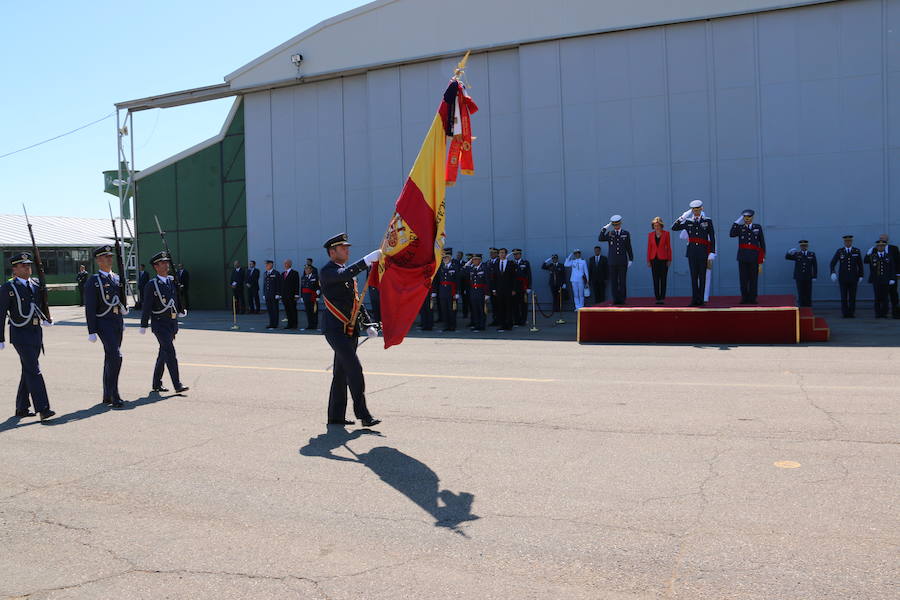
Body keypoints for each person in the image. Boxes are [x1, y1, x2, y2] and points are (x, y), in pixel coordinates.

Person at [319, 232, 381, 427]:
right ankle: (364, 415)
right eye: (343, 248)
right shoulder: (328, 271)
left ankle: (335, 417)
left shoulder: (345, 271)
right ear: (332, 252)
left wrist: (368, 323)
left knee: (341, 373)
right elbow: (344, 275)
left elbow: (357, 301)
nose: (347, 250)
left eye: (347, 248)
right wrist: (365, 261)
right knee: (354, 368)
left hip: (350, 329)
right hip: (335, 329)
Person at [0, 252, 55, 421]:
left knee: (28, 369)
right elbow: (1, 313)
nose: (28, 267)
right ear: (14, 269)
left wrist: (46, 318)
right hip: (20, 333)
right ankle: (43, 408)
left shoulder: (37, 284)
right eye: (23, 265)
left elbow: (41, 304)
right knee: (34, 369)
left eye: (29, 265)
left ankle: (22, 407)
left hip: (36, 331)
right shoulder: (8, 288)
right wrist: (0, 338)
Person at [140, 251, 189, 394]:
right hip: (160, 324)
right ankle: (177, 384)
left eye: (167, 262)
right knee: (170, 352)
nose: (166, 265)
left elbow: (177, 298)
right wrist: (144, 324)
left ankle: (156, 383)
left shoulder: (171, 281)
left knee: (163, 353)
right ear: (156, 266)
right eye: (163, 263)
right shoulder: (152, 285)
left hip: (172, 323)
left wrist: (181, 309)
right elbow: (147, 306)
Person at [84, 245, 126, 408]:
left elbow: (120, 300)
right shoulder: (94, 281)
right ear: (99, 260)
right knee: (116, 356)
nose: (110, 259)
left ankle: (107, 394)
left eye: (111, 256)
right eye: (106, 257)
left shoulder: (116, 278)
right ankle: (115, 394)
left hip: (116, 322)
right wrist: (91, 330)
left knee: (110, 358)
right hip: (103, 323)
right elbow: (90, 308)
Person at [672, 201, 715, 306]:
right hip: (692, 252)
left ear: (701, 209)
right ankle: (694, 300)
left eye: (698, 209)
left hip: (703, 252)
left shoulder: (707, 221)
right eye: (694, 210)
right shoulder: (688, 221)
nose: (696, 211)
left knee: (702, 276)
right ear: (692, 210)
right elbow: (674, 227)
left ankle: (701, 300)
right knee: (694, 276)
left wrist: (712, 252)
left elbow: (712, 237)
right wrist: (682, 217)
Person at [729, 209, 766, 304]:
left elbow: (762, 243)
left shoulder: (757, 227)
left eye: (749, 217)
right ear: (743, 218)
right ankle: (744, 298)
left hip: (754, 257)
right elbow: (731, 234)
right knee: (743, 278)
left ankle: (753, 298)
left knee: (753, 278)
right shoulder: (740, 228)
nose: (747, 219)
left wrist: (762, 257)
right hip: (743, 257)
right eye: (745, 217)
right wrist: (737, 222)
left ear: (752, 217)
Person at [598, 215, 634, 304]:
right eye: (614, 225)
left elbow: (628, 247)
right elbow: (600, 238)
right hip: (612, 262)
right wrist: (604, 228)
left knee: (622, 281)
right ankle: (616, 299)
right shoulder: (610, 233)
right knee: (614, 282)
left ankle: (622, 299)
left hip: (622, 261)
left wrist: (631, 259)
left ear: (620, 224)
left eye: (617, 225)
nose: (616, 227)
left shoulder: (625, 233)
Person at [829, 235, 864, 318]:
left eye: (849, 241)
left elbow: (860, 265)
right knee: (843, 296)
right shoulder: (840, 251)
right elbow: (832, 263)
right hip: (843, 278)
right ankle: (845, 313)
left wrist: (861, 275)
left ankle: (851, 313)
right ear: (844, 242)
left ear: (851, 242)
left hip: (853, 278)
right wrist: (833, 272)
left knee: (852, 296)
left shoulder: (856, 251)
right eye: (846, 241)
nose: (848, 242)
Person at [869, 234, 900, 318]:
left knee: (894, 295)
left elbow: (897, 262)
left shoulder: (894, 248)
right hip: (880, 278)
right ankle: (881, 312)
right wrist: (869, 253)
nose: (881, 240)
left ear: (887, 240)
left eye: (883, 239)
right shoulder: (875, 249)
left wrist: (896, 275)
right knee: (881, 296)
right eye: (880, 239)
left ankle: (896, 313)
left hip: (891, 277)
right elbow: (868, 262)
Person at [645, 217, 673, 305]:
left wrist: (669, 259)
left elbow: (668, 247)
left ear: (661, 226)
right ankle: (657, 297)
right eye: (655, 225)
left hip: (663, 259)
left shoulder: (666, 234)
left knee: (663, 279)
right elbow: (649, 248)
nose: (656, 227)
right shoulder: (650, 235)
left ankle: (662, 297)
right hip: (654, 259)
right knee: (655, 279)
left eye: (658, 225)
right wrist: (648, 260)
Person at [491, 248, 518, 331]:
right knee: (500, 308)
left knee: (509, 307)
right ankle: (502, 324)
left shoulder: (511, 264)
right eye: (500, 253)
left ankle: (509, 324)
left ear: (506, 254)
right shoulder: (496, 263)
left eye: (503, 253)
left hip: (508, 289)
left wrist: (514, 289)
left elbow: (514, 277)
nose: (501, 254)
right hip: (499, 289)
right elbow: (494, 278)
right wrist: (494, 289)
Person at [785, 240, 818, 307]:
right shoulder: (797, 254)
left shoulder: (811, 254)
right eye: (802, 246)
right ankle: (802, 308)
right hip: (799, 277)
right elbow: (787, 257)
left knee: (808, 293)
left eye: (805, 246)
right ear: (800, 247)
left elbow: (815, 266)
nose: (803, 247)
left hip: (808, 277)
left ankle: (808, 308)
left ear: (807, 246)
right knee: (801, 293)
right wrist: (789, 252)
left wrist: (814, 276)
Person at [437, 252, 461, 332]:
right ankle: (446, 326)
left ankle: (452, 326)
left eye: (446, 257)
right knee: (444, 310)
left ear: (450, 258)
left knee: (452, 309)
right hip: (443, 291)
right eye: (443, 258)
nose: (445, 259)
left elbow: (458, 280)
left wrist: (457, 292)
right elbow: (437, 280)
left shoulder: (455, 267)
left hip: (452, 291)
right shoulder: (441, 267)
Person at [466, 253, 488, 331]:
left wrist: (487, 294)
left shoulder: (484, 268)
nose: (474, 261)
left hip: (481, 292)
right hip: (473, 292)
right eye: (473, 260)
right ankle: (476, 324)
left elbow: (487, 281)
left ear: (480, 260)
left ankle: (482, 325)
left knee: (481, 309)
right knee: (474, 309)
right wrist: (468, 263)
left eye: (476, 259)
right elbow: (462, 272)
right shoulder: (472, 268)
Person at [512, 249, 532, 325]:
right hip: (515, 287)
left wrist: (529, 287)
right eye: (514, 254)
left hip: (523, 287)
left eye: (517, 254)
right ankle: (516, 320)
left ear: (520, 255)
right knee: (515, 304)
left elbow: (529, 275)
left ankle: (523, 320)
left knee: (524, 304)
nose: (516, 256)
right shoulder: (511, 263)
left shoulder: (525, 263)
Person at [262, 260, 282, 329]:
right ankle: (271, 323)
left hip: (274, 295)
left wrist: (278, 293)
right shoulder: (265, 273)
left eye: (267, 264)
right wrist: (264, 294)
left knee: (275, 310)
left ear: (271, 265)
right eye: (265, 265)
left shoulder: (276, 273)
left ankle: (275, 324)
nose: (266, 266)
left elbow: (279, 284)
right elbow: (265, 284)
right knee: (269, 309)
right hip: (267, 294)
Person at [300, 263, 320, 331]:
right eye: (305, 269)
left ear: (311, 269)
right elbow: (302, 287)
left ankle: (315, 325)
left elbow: (319, 286)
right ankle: (310, 325)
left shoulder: (315, 277)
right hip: (306, 296)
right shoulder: (303, 277)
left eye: (308, 269)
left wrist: (318, 296)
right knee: (308, 311)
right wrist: (301, 296)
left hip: (313, 296)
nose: (306, 270)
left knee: (314, 311)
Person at [282, 259, 300, 329]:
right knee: (287, 310)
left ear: (290, 264)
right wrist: (281, 295)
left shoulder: (294, 273)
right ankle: (289, 324)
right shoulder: (283, 273)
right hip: (284, 296)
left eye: (286, 263)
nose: (285, 265)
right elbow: (282, 285)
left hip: (292, 295)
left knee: (293, 310)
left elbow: (296, 284)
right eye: (284, 263)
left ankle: (294, 324)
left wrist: (296, 294)